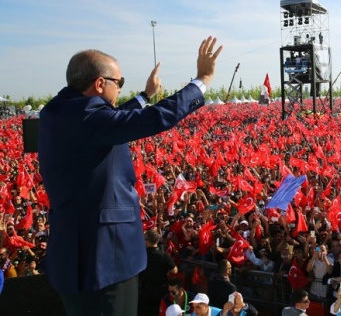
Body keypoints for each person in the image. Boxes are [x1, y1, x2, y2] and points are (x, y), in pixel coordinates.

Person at [37, 36, 222, 316]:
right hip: (103, 259)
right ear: (100, 84)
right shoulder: (87, 117)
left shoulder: (61, 111)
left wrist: (143, 97)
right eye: (118, 83)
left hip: (75, 254)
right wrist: (201, 80)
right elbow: (152, 119)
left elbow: (107, 122)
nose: (120, 88)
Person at [138, 229, 178, 316]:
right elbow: (174, 270)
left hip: (145, 290)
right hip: (160, 291)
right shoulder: (164, 255)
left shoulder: (142, 254)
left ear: (147, 241)